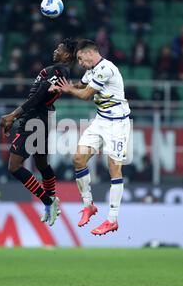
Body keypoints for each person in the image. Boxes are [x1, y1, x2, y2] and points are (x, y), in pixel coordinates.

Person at [54, 39, 131, 236]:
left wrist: (69, 89)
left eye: (80, 58)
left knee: (114, 167)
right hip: (101, 120)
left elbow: (86, 94)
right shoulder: (92, 70)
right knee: (78, 159)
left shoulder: (106, 69)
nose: (79, 63)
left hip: (117, 124)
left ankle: (112, 220)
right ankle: (89, 205)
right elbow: (81, 83)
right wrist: (62, 85)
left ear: (90, 53)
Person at [0, 39, 77, 227]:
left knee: (14, 167)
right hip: (42, 118)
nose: (55, 50)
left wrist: (13, 115)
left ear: (66, 55)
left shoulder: (58, 70)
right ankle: (51, 200)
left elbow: (39, 96)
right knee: (42, 163)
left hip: (34, 119)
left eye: (59, 48)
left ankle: (48, 201)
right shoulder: (59, 71)